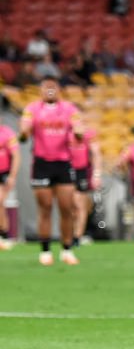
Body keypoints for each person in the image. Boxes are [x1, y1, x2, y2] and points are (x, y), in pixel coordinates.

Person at [19, 78, 83, 265]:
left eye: (53, 86)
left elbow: (78, 127)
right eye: (46, 86)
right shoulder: (32, 109)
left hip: (63, 163)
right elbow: (24, 129)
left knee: (67, 208)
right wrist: (23, 132)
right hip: (41, 163)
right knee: (45, 207)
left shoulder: (69, 109)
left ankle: (67, 249)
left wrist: (79, 132)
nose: (49, 89)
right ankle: (45, 251)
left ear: (59, 89)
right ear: (40, 90)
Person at [68, 119, 101, 247]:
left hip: (81, 172)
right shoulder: (65, 134)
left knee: (80, 205)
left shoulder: (89, 135)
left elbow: (96, 154)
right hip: (66, 171)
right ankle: (70, 234)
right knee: (69, 207)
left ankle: (77, 236)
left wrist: (96, 174)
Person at [0, 122, 19, 249]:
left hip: (3, 173)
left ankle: (4, 235)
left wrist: (12, 176)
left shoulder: (7, 133)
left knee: (0, 202)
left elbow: (16, 156)